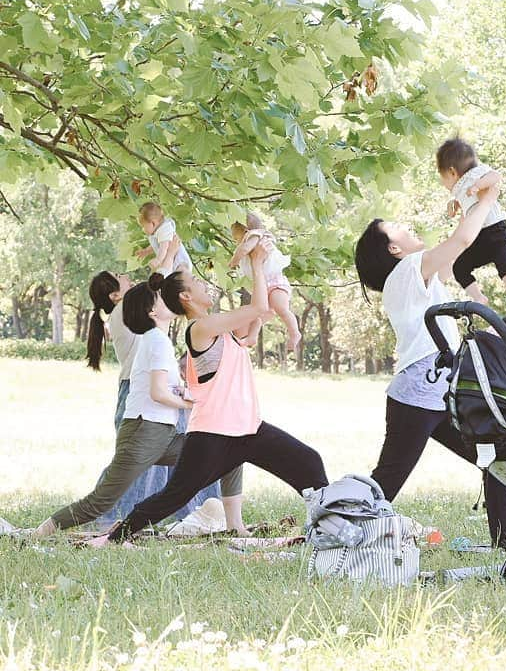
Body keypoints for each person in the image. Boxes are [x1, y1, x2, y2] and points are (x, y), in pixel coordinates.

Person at [89, 242, 328, 545]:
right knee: (174, 496)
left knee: (309, 462)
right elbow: (257, 308)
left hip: (248, 428)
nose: (204, 283)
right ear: (186, 297)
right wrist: (255, 263)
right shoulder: (199, 329)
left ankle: (326, 524)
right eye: (196, 282)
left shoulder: (221, 328)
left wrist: (268, 273)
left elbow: (258, 318)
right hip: (213, 434)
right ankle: (113, 538)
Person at [353, 180, 506, 547]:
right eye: (397, 227)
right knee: (387, 480)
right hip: (417, 393)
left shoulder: (412, 276)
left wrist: (467, 207)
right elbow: (460, 242)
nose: (407, 226)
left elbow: (454, 256)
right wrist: (486, 199)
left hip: (441, 389)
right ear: (394, 248)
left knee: (497, 456)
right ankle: (339, 526)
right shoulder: (408, 269)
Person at [34, 279, 243, 538]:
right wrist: (192, 402)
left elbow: (170, 389)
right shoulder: (154, 340)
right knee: (99, 502)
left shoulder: (161, 341)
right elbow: (158, 393)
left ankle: (235, 526)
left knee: (229, 451)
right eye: (161, 298)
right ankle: (35, 534)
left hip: (163, 435)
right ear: (153, 312)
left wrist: (194, 395)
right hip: (142, 433)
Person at [436, 138, 506, 316]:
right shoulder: (458, 190)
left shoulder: (476, 173)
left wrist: (478, 185)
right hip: (477, 236)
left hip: (496, 231)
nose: (442, 183)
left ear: (452, 172)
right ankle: (479, 298)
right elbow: (464, 204)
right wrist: (454, 206)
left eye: (442, 177)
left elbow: (496, 176)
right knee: (459, 267)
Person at [229, 212, 301, 351]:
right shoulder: (251, 241)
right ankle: (252, 336)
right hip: (263, 285)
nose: (235, 241)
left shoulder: (256, 236)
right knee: (257, 315)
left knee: (280, 307)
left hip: (276, 283)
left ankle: (294, 333)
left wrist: (234, 260)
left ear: (245, 231)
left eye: (235, 237)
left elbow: (243, 249)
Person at [135, 201, 193, 276]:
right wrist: (146, 251)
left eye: (143, 226)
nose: (143, 229)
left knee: (174, 276)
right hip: (171, 260)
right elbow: (157, 244)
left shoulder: (164, 230)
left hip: (179, 260)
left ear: (153, 223)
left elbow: (163, 248)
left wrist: (158, 260)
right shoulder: (158, 231)